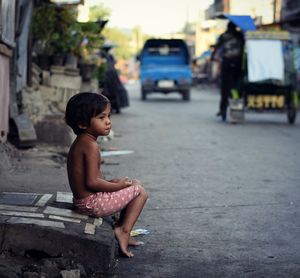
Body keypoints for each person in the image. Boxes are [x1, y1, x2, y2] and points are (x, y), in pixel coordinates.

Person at [65, 92, 148, 258]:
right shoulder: (91, 146)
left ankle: (120, 226)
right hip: (92, 204)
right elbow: (92, 182)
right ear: (82, 123)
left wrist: (113, 183)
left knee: (133, 183)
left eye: (109, 116)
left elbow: (90, 180)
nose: (108, 122)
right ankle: (124, 230)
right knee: (140, 191)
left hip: (83, 201)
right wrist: (119, 186)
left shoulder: (83, 141)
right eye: (101, 117)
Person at [211, 21, 245, 120]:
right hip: (238, 63)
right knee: (237, 86)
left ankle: (223, 109)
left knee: (224, 88)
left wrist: (213, 57)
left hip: (227, 63)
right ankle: (235, 106)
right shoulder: (240, 35)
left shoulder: (224, 36)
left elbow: (217, 48)